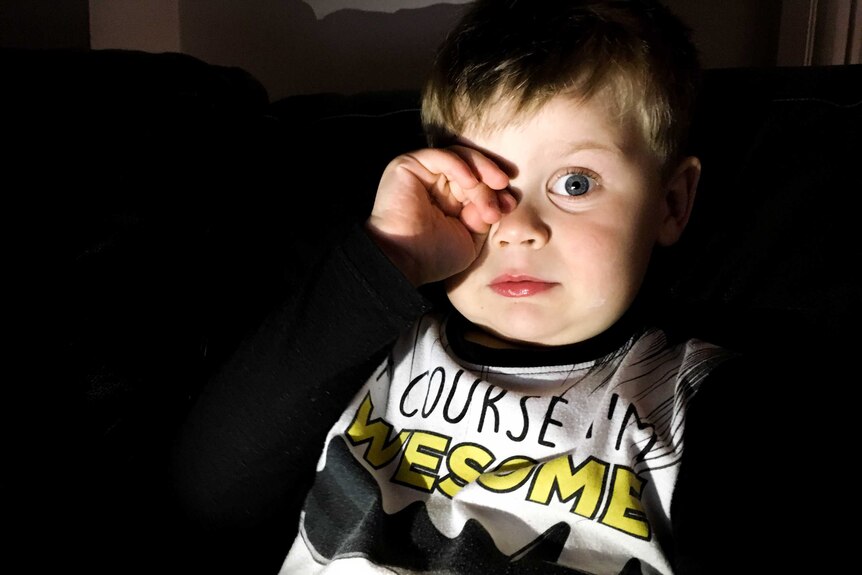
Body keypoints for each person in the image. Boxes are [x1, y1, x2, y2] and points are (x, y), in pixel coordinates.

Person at [171, 1, 792, 574]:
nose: (517, 229)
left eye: (575, 183)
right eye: (482, 178)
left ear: (672, 202)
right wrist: (388, 254)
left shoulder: (698, 404)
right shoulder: (374, 345)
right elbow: (209, 496)